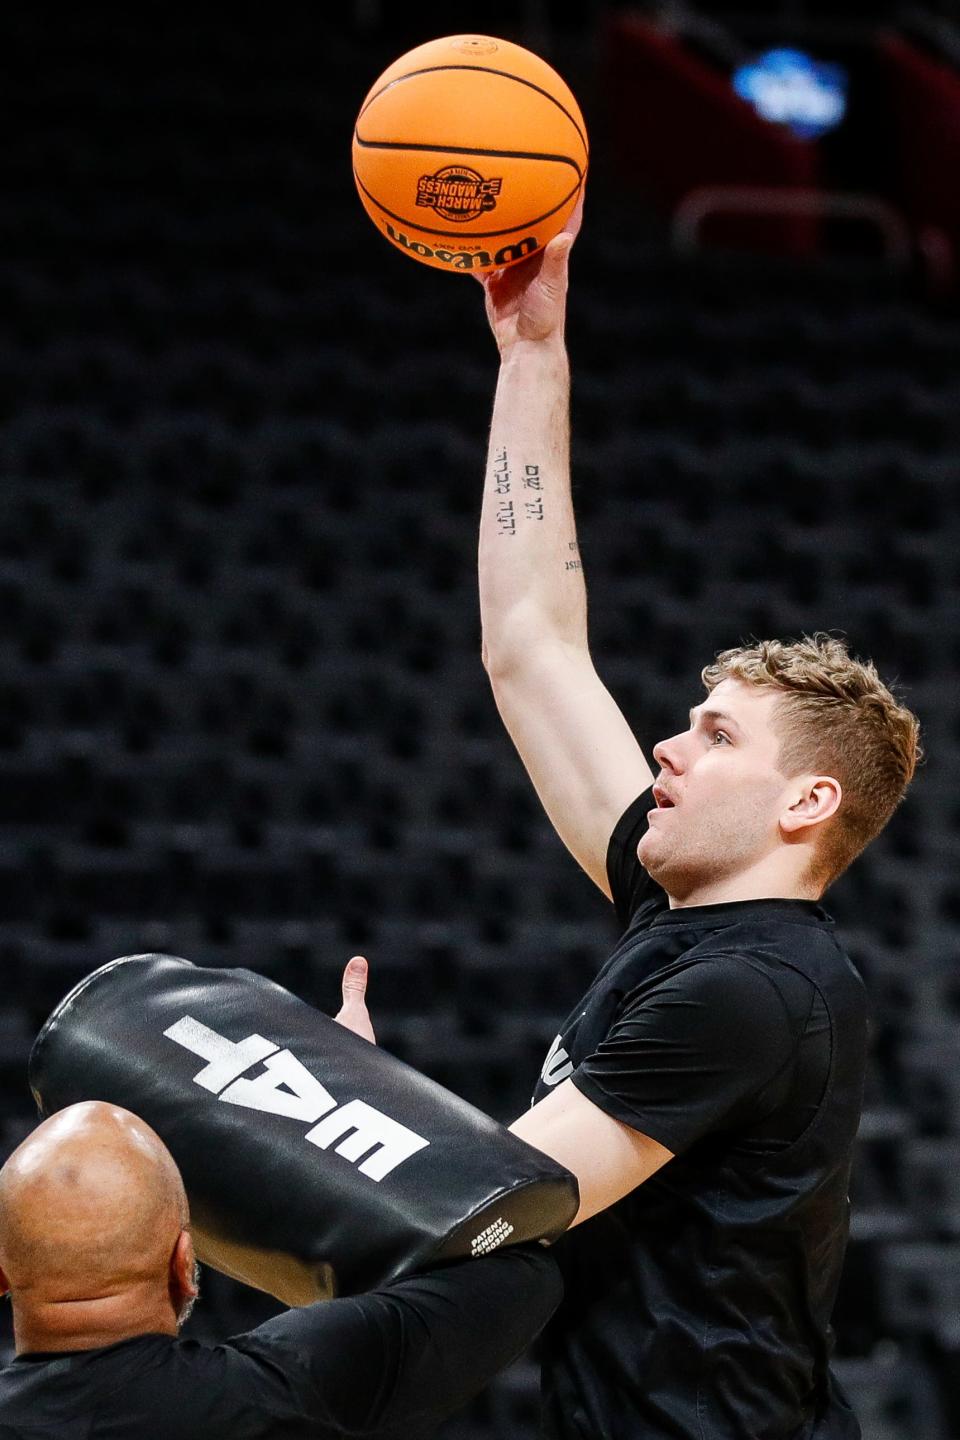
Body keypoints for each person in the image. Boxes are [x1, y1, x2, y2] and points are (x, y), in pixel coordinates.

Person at [343, 208, 922, 1437]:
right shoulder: (695, 924)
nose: (670, 741)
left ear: (805, 803)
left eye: (717, 736)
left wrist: (336, 1095)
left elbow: (484, 1204)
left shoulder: (755, 993)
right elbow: (532, 646)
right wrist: (531, 355)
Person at [0, 1093, 561, 1438]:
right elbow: (519, 1270)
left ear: (1, 1275)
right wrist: (349, 1135)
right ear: (185, 1259)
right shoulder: (289, 1389)